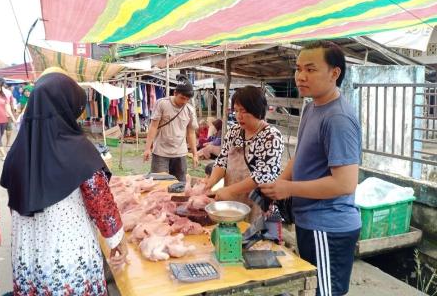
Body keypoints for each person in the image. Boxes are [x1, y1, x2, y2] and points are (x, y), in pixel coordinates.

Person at [0, 70, 128, 295]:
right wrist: (117, 240)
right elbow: (101, 204)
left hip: (28, 255)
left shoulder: (17, 152)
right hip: (67, 257)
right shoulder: (79, 150)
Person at [260, 41, 362, 296]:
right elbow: (301, 157)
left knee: (325, 293)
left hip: (328, 227)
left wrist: (289, 188)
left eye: (310, 69)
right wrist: (277, 188)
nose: (300, 76)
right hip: (310, 221)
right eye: (298, 68)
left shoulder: (338, 118)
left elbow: (344, 184)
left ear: (334, 73)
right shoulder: (312, 107)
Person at [205, 86, 283, 221]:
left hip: (259, 205)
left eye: (244, 111)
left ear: (257, 110)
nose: (238, 116)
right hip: (233, 202)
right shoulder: (234, 131)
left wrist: (230, 190)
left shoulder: (271, 136)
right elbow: (222, 161)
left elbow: (262, 175)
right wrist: (210, 182)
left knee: (256, 239)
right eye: (236, 111)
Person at [143, 74, 198, 182]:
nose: (184, 101)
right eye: (182, 98)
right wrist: (147, 148)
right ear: (175, 93)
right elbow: (153, 127)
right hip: (160, 153)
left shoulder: (190, 110)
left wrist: (195, 154)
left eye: (187, 99)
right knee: (159, 185)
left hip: (180, 154)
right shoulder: (162, 104)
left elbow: (191, 133)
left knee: (180, 185)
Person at [0, 80, 16, 160]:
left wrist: (13, 118)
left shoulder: (3, 96)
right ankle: (4, 155)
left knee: (0, 136)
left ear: (0, 87)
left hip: (4, 120)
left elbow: (7, 108)